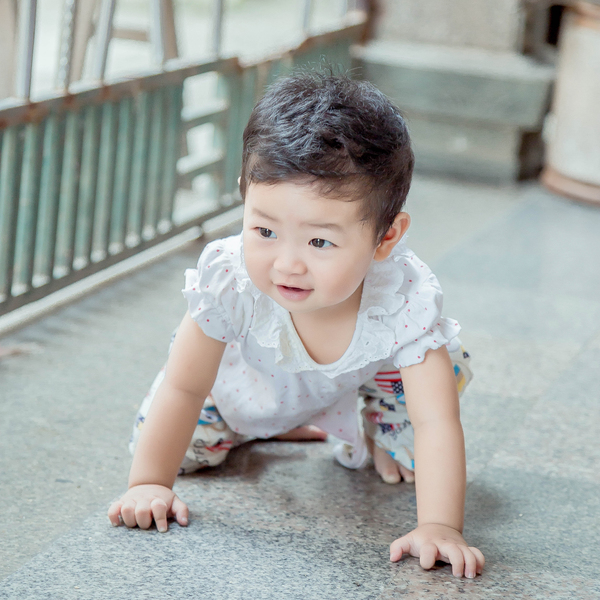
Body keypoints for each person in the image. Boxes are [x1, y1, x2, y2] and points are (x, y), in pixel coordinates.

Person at [108, 69, 485, 578]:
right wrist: (149, 483)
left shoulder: (401, 298)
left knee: (432, 406)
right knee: (189, 451)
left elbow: (436, 420)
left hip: (363, 380)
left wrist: (440, 526)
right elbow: (184, 386)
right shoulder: (230, 281)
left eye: (319, 242)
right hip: (242, 388)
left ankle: (370, 425)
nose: (287, 264)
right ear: (244, 196)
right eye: (264, 230)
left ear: (386, 237)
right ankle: (277, 422)